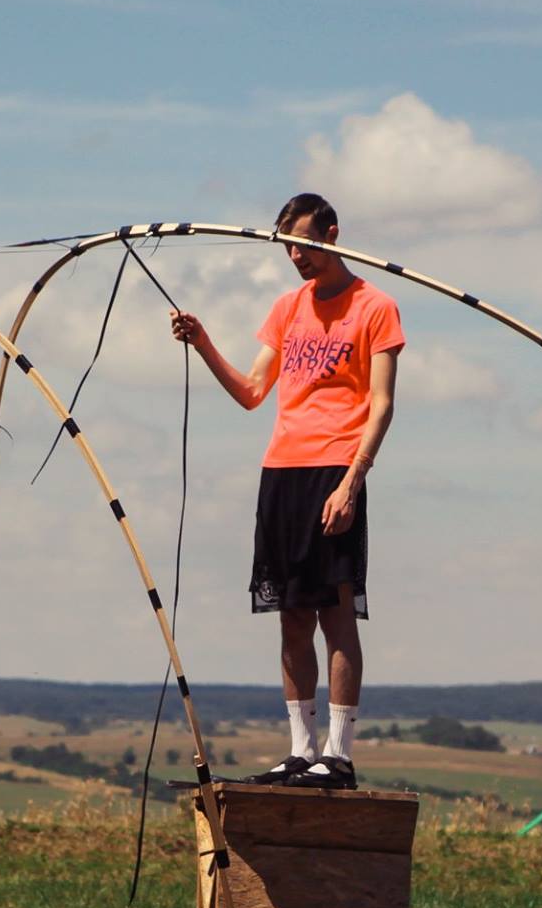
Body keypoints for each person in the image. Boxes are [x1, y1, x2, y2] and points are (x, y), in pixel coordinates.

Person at [168, 193, 402, 789]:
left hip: (336, 470)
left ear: (332, 233)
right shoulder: (286, 308)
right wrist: (203, 342)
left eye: (304, 243)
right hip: (282, 471)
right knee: (291, 616)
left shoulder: (375, 306)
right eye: (288, 248)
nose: (296, 256)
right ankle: (301, 750)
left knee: (335, 614)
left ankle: (338, 755)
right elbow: (252, 392)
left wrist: (353, 481)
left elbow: (381, 405)